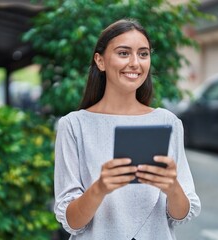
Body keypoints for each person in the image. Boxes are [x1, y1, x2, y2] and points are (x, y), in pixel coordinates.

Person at [54, 19, 201, 240]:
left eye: (143, 54)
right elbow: (72, 222)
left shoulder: (167, 121)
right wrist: (101, 187)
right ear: (100, 61)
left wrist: (171, 187)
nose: (135, 63)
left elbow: (180, 215)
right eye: (124, 53)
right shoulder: (74, 125)